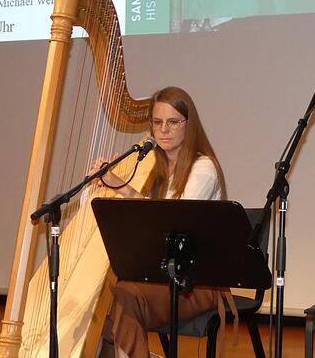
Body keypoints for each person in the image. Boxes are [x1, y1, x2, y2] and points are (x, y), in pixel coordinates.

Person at [97, 86, 234, 358]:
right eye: (157, 122)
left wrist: (123, 189)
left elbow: (168, 222)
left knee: (123, 296)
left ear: (188, 125)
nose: (164, 130)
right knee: (105, 302)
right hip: (161, 276)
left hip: (198, 282)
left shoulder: (202, 168)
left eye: (173, 122)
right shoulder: (152, 167)